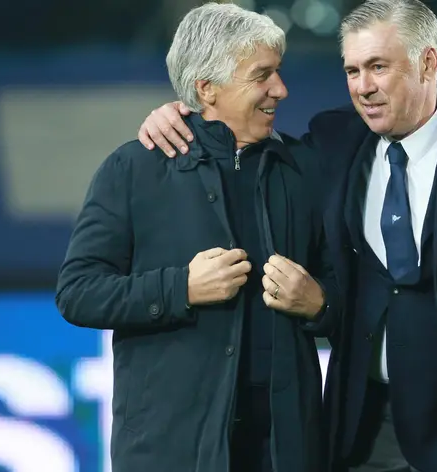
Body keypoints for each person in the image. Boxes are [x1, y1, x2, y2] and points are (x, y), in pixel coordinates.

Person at [135, 1, 437, 471]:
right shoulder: (334, 139)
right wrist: (185, 114)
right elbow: (242, 144)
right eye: (352, 70)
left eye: (378, 67)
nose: (363, 87)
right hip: (359, 429)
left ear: (428, 62)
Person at [55, 3, 340, 472]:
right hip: (172, 451)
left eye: (279, 72)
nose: (281, 89)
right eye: (262, 75)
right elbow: (77, 293)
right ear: (207, 88)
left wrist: (320, 304)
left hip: (285, 449)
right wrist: (180, 288)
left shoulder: (303, 169)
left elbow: (345, 293)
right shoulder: (134, 169)